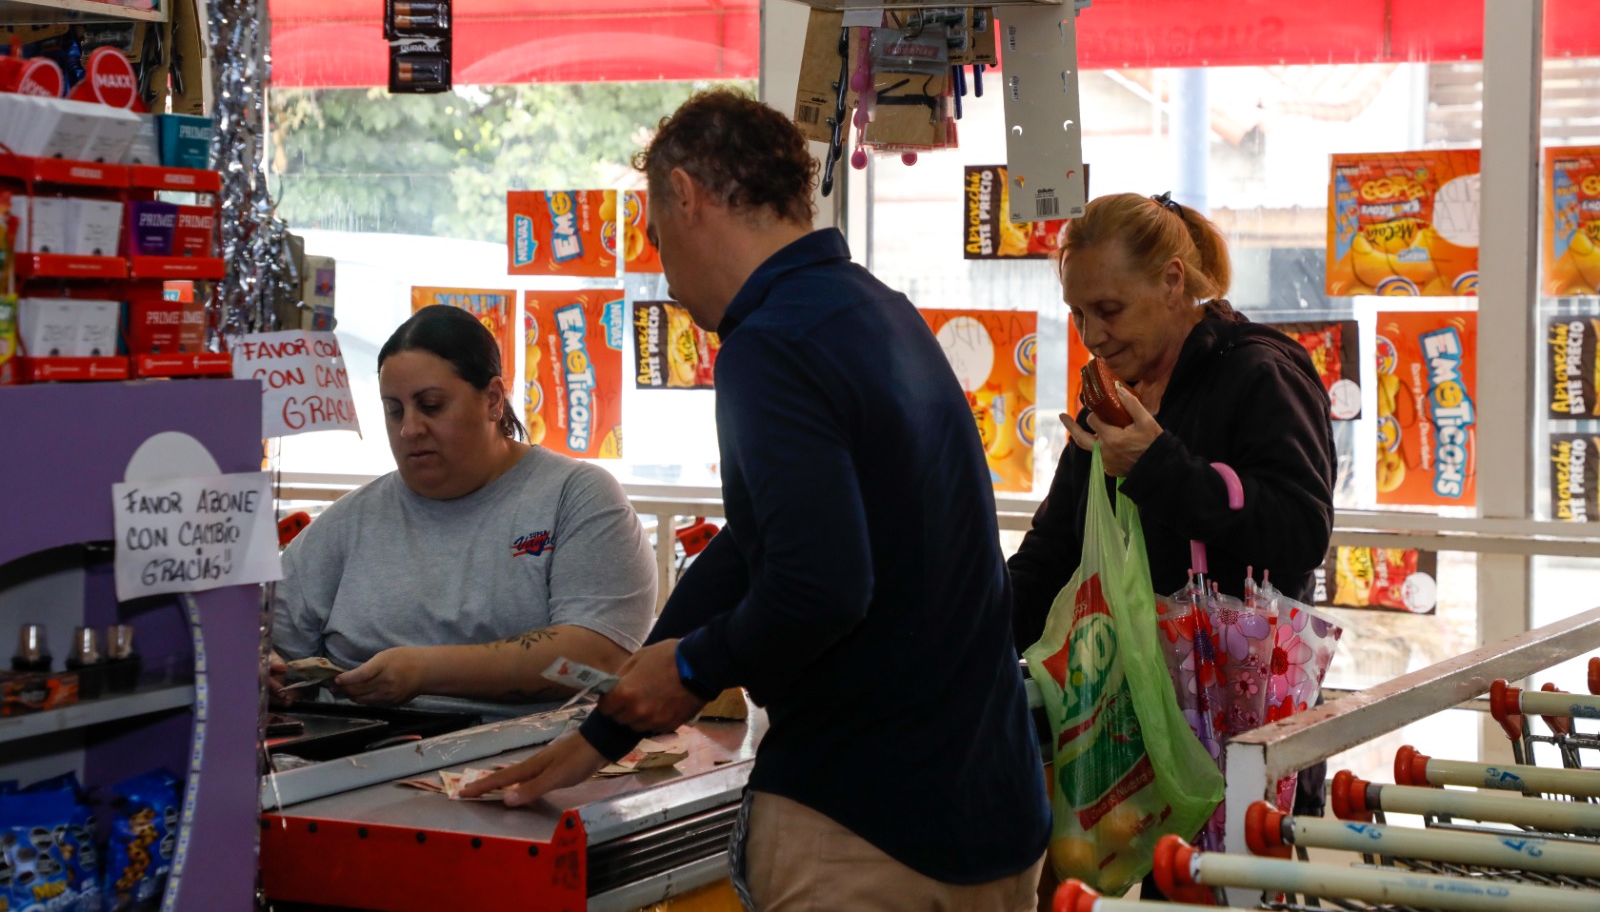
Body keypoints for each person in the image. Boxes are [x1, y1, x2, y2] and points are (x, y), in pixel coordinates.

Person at [466, 89, 1050, 911]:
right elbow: (755, 546)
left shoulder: (769, 343)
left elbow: (822, 583)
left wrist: (697, 665)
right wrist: (613, 722)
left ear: (685, 196)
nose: (665, 273)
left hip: (867, 826)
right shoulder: (881, 313)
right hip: (994, 810)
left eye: (659, 237)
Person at [1008, 192, 1335, 901]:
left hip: (1240, 747)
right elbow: (1052, 554)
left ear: (1173, 280)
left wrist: (1162, 470)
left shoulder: (1261, 374)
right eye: (1078, 313)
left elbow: (1300, 534)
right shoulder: (1112, 396)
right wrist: (963, 636)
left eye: (1110, 310)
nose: (1092, 334)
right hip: (1137, 747)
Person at [269, 304, 657, 709]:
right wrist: (264, 664)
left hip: (530, 759)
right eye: (394, 410)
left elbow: (594, 661)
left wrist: (424, 672)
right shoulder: (348, 524)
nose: (410, 429)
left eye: (432, 405)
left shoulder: (576, 497)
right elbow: (261, 641)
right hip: (352, 761)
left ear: (492, 399)